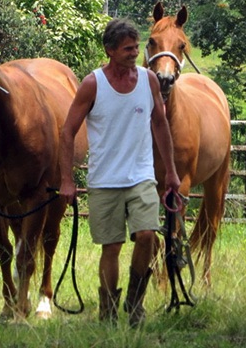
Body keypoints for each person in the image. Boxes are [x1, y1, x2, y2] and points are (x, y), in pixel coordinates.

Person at [59, 18, 180, 328]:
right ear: (110, 50)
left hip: (141, 176)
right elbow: (68, 131)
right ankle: (109, 310)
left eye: (136, 47)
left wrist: (170, 173)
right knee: (111, 247)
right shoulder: (92, 84)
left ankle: (135, 302)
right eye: (127, 49)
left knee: (147, 236)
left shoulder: (149, 80)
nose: (133, 53)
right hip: (104, 180)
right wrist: (67, 180)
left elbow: (160, 124)